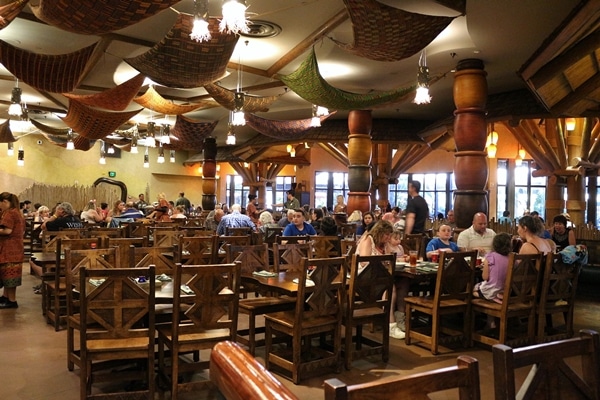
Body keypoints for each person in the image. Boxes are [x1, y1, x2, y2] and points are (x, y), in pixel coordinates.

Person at [356, 220, 405, 338]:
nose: (388, 237)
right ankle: (390, 323)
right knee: (390, 287)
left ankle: (397, 317)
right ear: (379, 232)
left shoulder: (385, 244)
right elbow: (364, 263)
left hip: (379, 276)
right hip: (364, 278)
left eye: (390, 234)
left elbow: (388, 261)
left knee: (401, 283)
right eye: (386, 234)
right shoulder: (368, 240)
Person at [472, 232, 513, 328]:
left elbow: (485, 277)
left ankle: (479, 323)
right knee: (484, 290)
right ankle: (491, 321)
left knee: (472, 291)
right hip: (506, 291)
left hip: (491, 290)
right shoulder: (512, 257)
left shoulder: (490, 256)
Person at [0, 192, 25, 309]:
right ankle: (6, 297)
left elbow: (7, 231)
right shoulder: (17, 212)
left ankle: (11, 300)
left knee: (10, 275)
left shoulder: (10, 213)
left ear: (5, 202)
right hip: (16, 248)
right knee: (8, 274)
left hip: (9, 248)